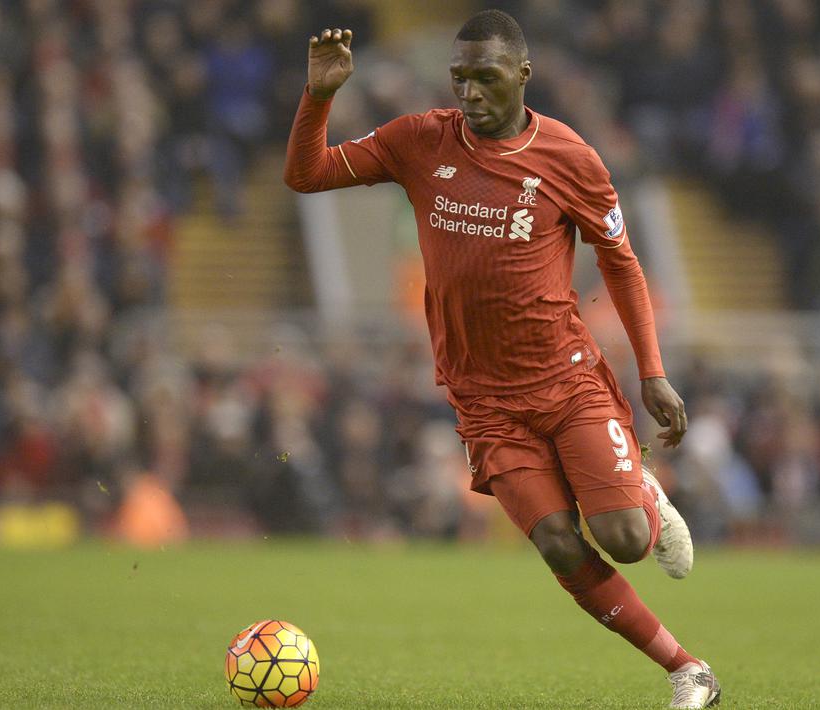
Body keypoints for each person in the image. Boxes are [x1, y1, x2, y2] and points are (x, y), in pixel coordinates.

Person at [284, 10, 720, 709]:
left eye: (484, 78)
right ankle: (687, 670)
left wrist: (652, 372)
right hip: (483, 399)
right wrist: (320, 96)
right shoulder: (418, 141)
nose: (469, 94)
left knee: (627, 539)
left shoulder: (569, 158)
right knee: (555, 542)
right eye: (458, 79)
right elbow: (305, 175)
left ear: (522, 74)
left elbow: (621, 261)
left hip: (566, 379)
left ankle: (638, 487)